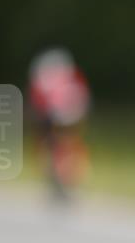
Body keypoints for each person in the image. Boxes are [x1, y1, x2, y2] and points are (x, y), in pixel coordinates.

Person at [28, 48, 91, 201]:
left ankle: (60, 175)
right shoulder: (74, 75)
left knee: (50, 145)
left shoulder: (43, 79)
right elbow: (84, 98)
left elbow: (37, 104)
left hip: (56, 115)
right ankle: (68, 176)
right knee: (67, 144)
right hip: (71, 114)